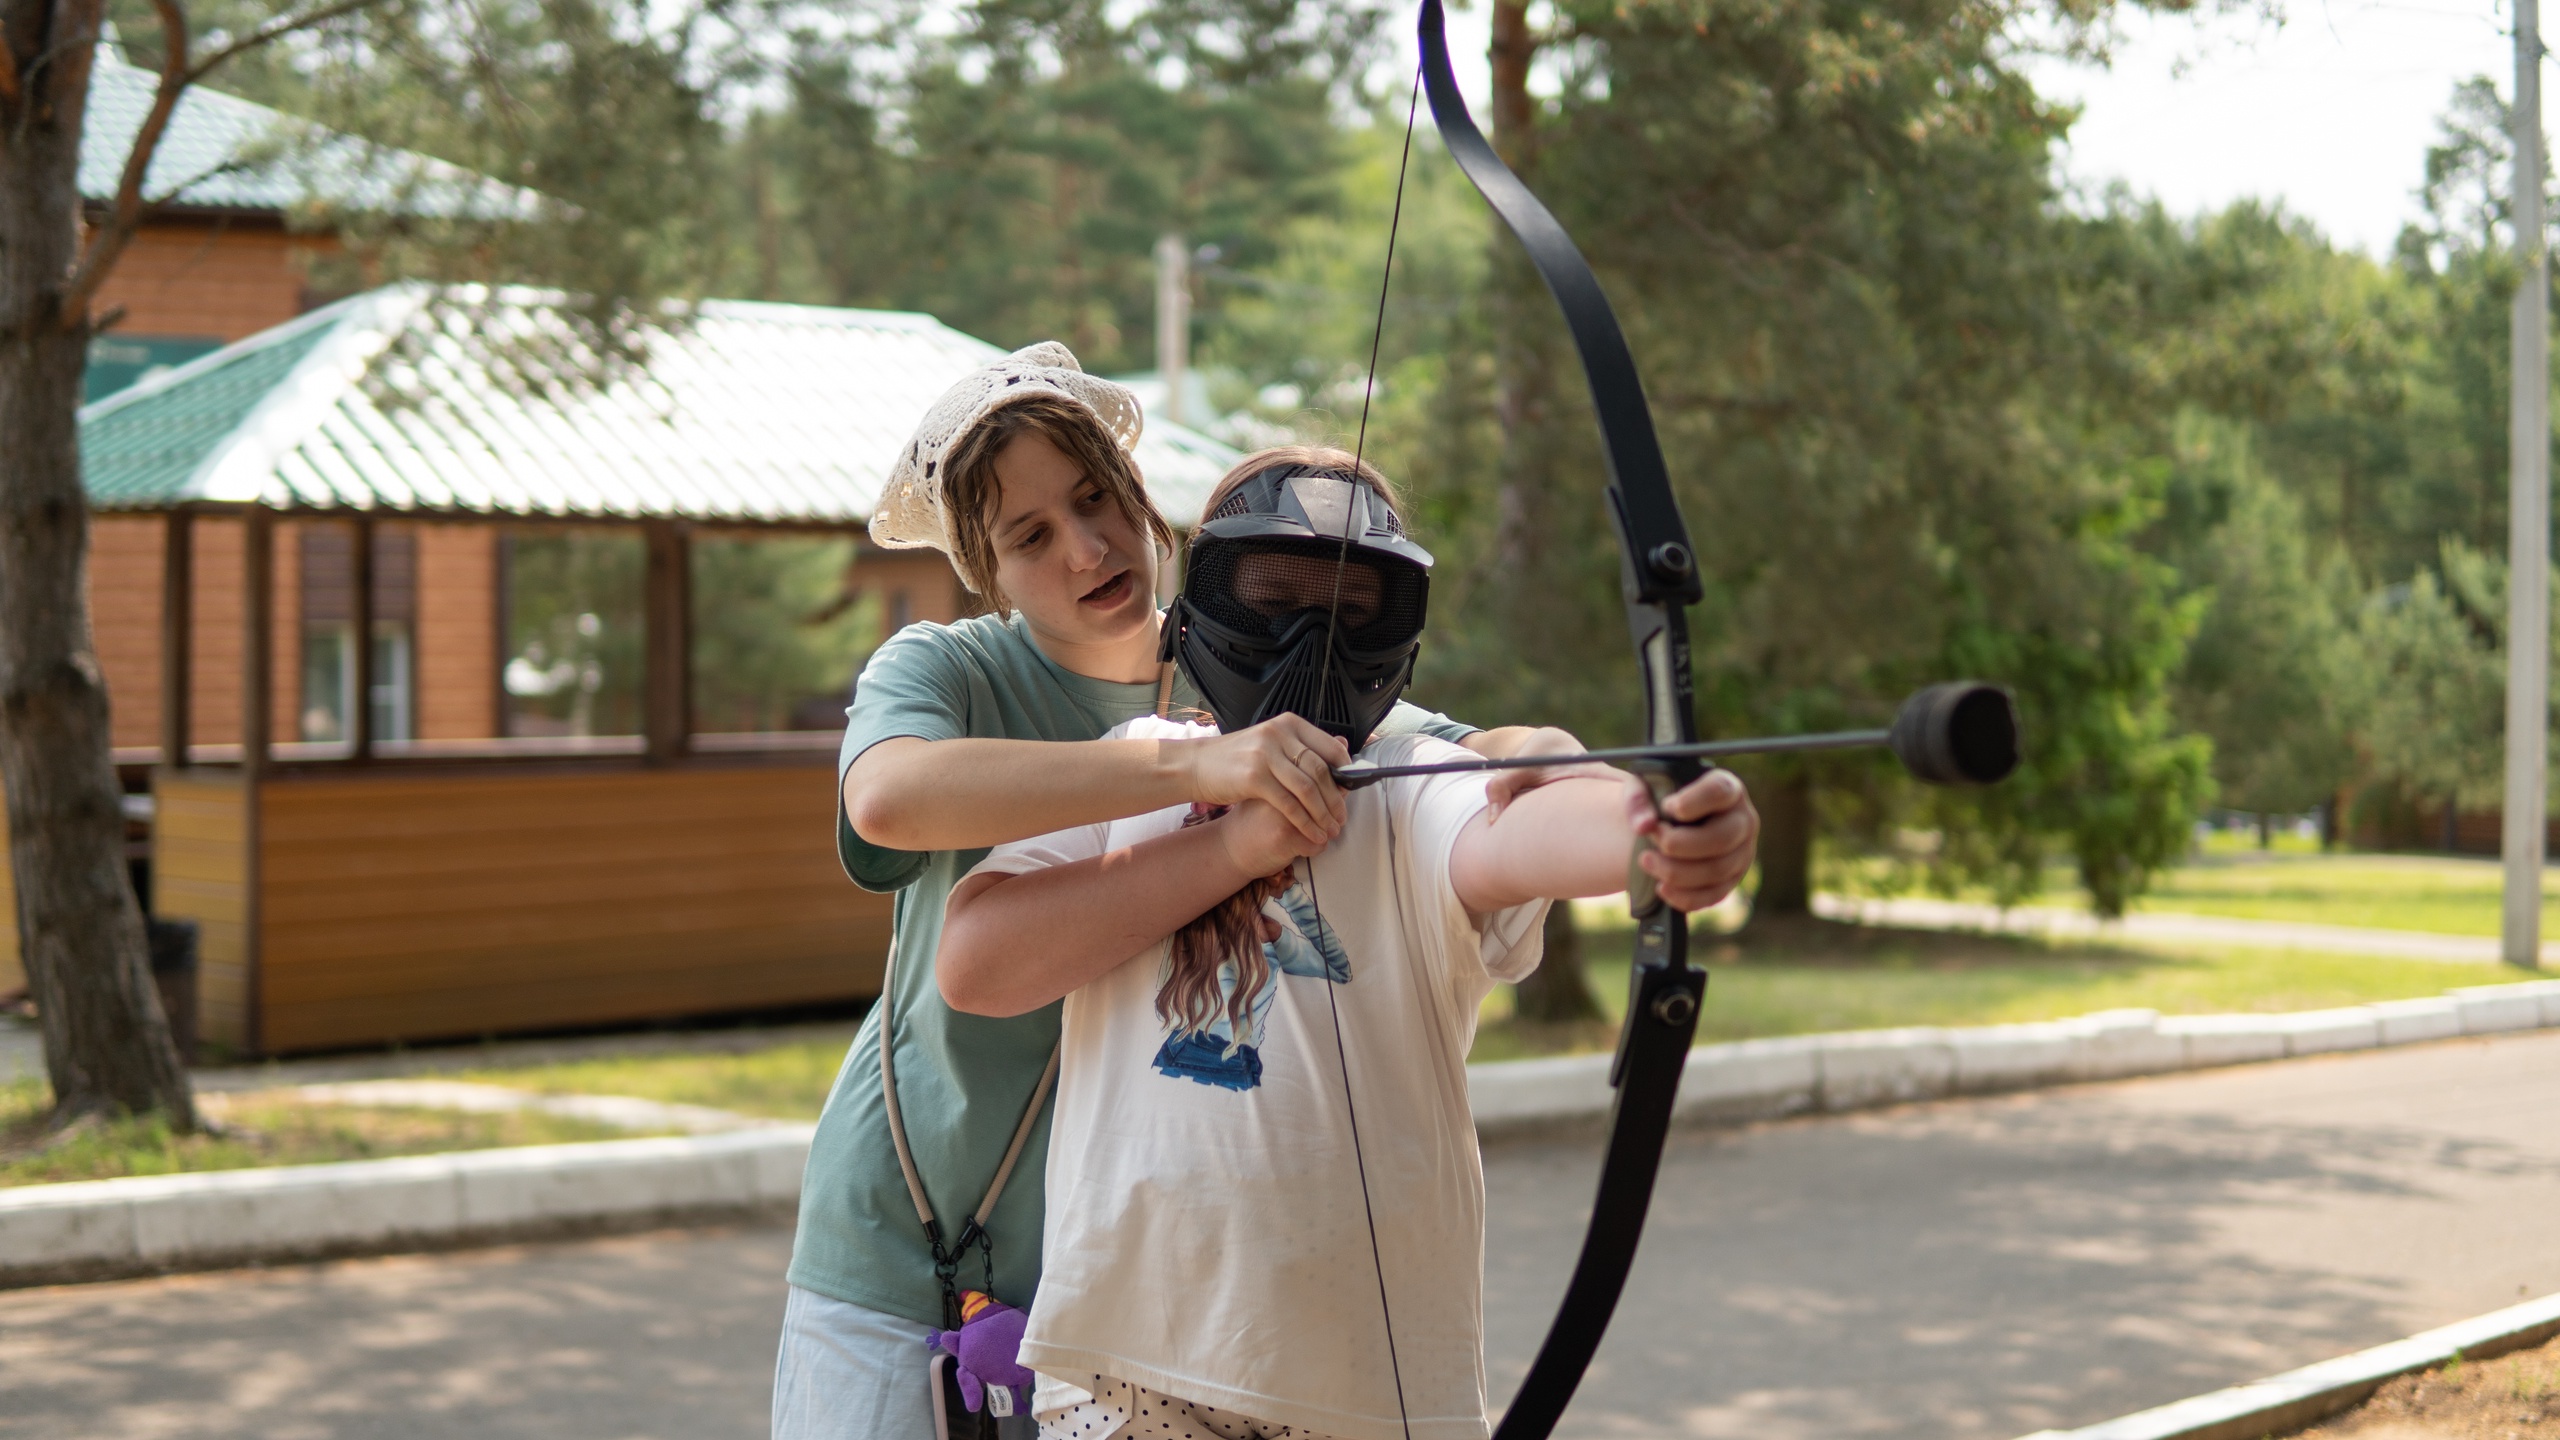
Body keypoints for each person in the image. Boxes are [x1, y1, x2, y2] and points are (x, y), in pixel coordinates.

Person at [774, 347, 1760, 1440]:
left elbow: (1449, 772)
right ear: (985, 569)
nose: (1089, 548)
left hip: (1110, 1275)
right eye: (1030, 537)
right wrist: (1198, 779)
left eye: (1097, 499)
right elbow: (892, 804)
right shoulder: (962, 673)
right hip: (906, 1226)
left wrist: (1589, 784)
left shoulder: (1239, 652)